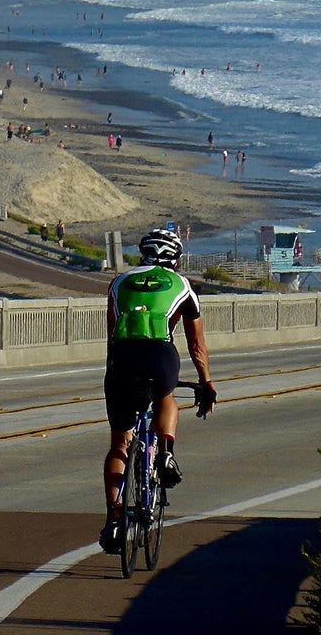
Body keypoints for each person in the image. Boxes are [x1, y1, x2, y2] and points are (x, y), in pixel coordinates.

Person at [99, 228, 216, 553]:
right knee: (166, 397)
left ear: (143, 255)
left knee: (119, 443)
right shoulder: (183, 286)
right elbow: (196, 345)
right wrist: (206, 383)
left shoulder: (118, 283)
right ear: (176, 259)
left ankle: (114, 518)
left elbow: (112, 335)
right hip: (160, 356)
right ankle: (165, 452)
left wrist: (114, 371)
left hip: (122, 359)